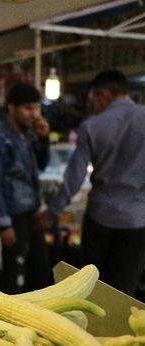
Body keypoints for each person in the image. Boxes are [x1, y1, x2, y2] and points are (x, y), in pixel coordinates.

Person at [38, 70, 145, 297]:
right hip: (137, 222)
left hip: (100, 220)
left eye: (93, 100)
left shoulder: (92, 126)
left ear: (103, 95)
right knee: (124, 293)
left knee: (91, 290)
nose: (94, 106)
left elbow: (74, 178)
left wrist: (50, 214)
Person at [0, 83, 51, 294]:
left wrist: (44, 139)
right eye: (28, 108)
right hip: (14, 218)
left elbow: (41, 165)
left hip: (31, 214)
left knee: (38, 274)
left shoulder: (29, 136)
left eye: (37, 108)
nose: (34, 114)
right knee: (15, 278)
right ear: (12, 109)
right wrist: (3, 224)